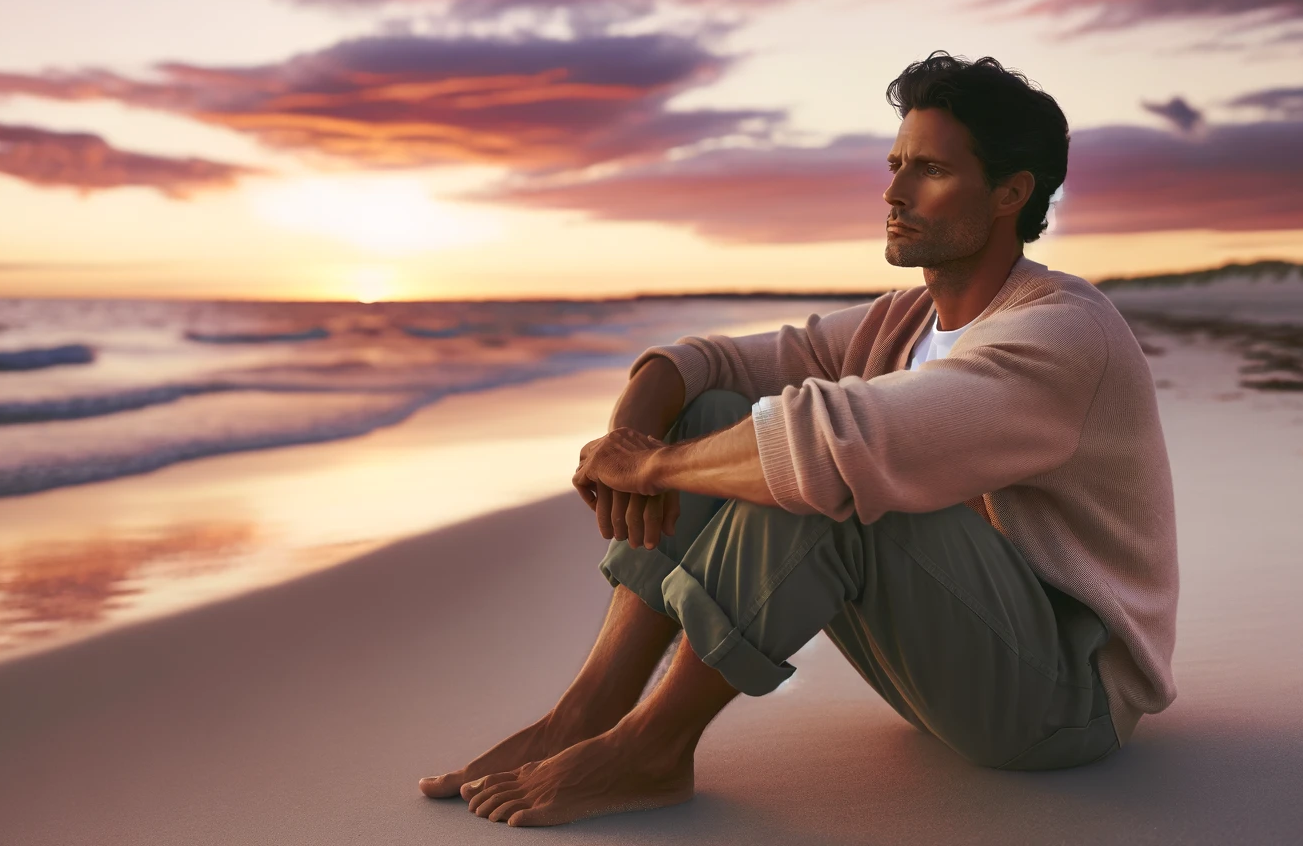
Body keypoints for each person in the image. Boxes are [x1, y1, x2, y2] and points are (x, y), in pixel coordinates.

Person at [419, 51, 1179, 827]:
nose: (893, 192)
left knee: (828, 466)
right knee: (718, 413)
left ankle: (652, 748)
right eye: (895, 164)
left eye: (930, 170)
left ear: (1010, 194)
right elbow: (705, 362)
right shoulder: (903, 321)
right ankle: (587, 712)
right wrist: (632, 434)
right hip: (948, 668)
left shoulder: (1061, 333)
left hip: (1061, 700)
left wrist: (651, 466)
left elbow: (834, 443)